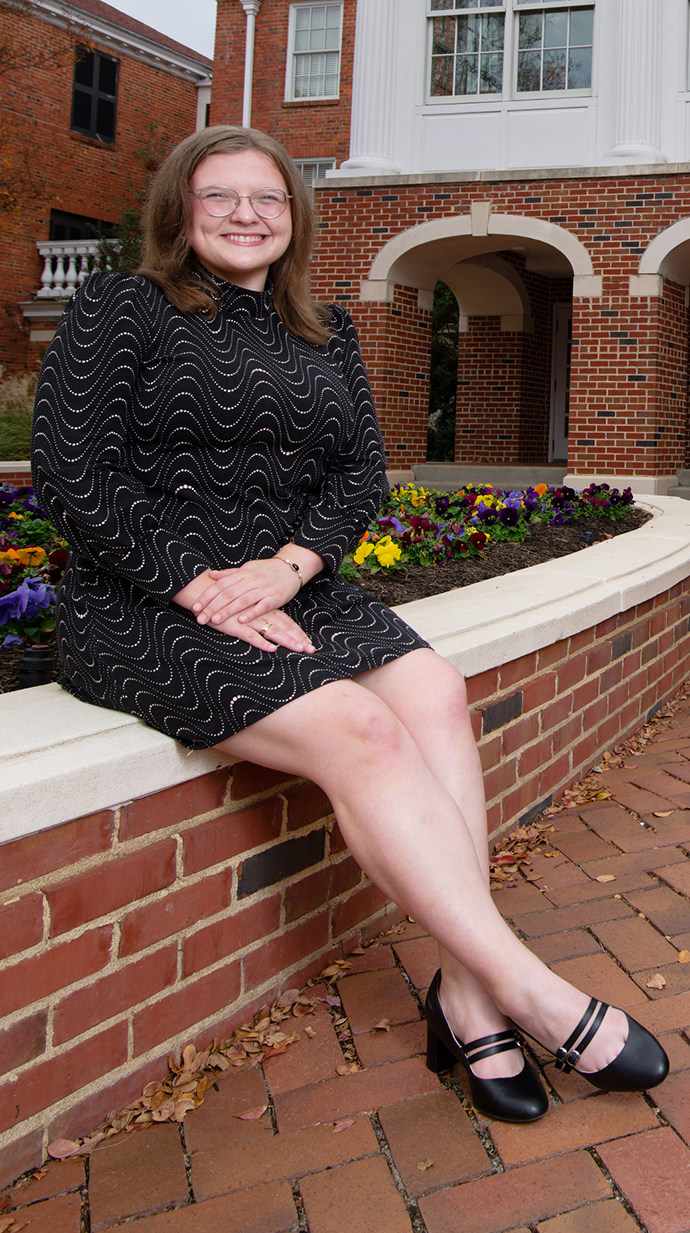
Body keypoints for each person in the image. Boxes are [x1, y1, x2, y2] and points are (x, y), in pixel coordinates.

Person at [32, 126, 668, 1123]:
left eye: (268, 198)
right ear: (180, 211)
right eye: (221, 196)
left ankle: (462, 994)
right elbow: (74, 473)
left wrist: (287, 569)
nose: (247, 214)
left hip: (291, 584)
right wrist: (200, 587)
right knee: (362, 731)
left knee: (433, 691)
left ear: (295, 216)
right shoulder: (126, 307)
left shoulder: (327, 328)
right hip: (145, 597)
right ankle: (535, 997)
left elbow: (359, 475)